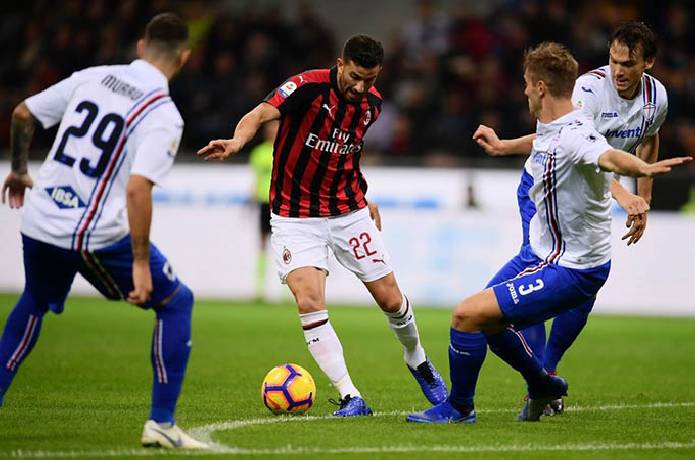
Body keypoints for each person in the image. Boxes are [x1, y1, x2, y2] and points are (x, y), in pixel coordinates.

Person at [406, 41, 689, 424]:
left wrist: (642, 171)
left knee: (466, 316)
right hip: (543, 253)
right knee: (484, 320)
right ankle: (542, 383)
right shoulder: (552, 128)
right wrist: (504, 146)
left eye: (526, 84)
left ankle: (460, 407)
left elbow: (604, 155)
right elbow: (544, 142)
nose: (523, 91)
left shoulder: (576, 133)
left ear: (540, 87)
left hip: (571, 266)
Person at [198, 34, 447, 416]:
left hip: (348, 213)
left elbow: (347, 155)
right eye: (356, 77)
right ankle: (351, 396)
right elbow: (260, 113)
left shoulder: (371, 106)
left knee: (392, 300)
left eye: (371, 79)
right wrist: (237, 140)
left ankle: (418, 361)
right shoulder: (306, 87)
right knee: (310, 301)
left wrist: (363, 197)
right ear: (340, 64)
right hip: (295, 216)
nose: (361, 87)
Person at [0, 13, 208, 449]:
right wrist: (139, 263)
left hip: (39, 219)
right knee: (175, 301)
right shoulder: (162, 113)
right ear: (184, 58)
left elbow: (22, 114)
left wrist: (19, 170)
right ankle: (162, 424)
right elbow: (137, 189)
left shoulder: (93, 77)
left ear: (139, 46)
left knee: (34, 301)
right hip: (91, 232)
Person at [472, 22, 667, 415]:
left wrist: (642, 198)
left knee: (583, 284)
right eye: (613, 60)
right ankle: (539, 384)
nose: (618, 71)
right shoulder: (589, 92)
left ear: (649, 62)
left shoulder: (656, 98)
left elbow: (649, 137)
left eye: (628, 63)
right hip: (550, 184)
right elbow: (573, 146)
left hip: (592, 192)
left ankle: (546, 371)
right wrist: (624, 193)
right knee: (539, 269)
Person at [249, 120, 278, 300]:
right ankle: (260, 288)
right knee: (262, 245)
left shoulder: (287, 149)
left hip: (282, 203)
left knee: (286, 245)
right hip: (264, 202)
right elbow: (255, 178)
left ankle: (286, 290)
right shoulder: (259, 153)